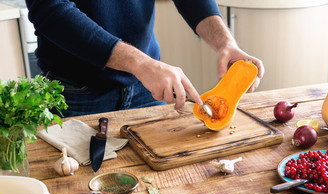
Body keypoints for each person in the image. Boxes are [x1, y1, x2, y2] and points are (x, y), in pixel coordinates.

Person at [25, 0, 264, 117]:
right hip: (76, 91)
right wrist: (141, 63)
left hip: (145, 86)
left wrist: (224, 41)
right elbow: (51, 9)